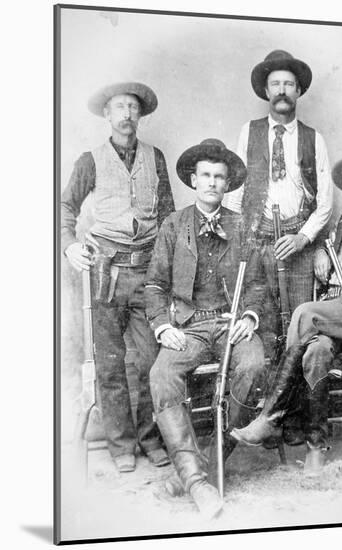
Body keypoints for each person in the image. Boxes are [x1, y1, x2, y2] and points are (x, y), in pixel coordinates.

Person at [231, 145, 342, 475]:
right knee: (316, 352)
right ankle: (315, 448)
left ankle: (275, 415)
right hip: (335, 313)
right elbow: (333, 267)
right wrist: (323, 254)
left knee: (304, 314)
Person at [145, 139, 266, 518]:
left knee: (253, 365)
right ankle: (197, 482)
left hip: (231, 324)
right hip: (190, 327)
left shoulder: (242, 225)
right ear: (193, 180)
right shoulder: (173, 225)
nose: (212, 182)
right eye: (206, 176)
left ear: (227, 184)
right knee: (162, 375)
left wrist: (248, 317)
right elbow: (154, 285)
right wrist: (163, 326)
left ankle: (205, 465)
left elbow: (258, 285)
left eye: (220, 177)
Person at [61, 81, 175, 472]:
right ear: (107, 116)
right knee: (110, 363)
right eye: (119, 108)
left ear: (140, 115)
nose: (126, 115)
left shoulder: (154, 157)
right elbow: (64, 207)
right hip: (105, 271)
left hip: (147, 271)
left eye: (132, 108)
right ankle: (120, 445)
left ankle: (150, 438)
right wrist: (69, 244)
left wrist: (166, 265)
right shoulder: (89, 160)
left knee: (149, 360)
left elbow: (167, 216)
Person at [223, 50, 333, 350]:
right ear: (265, 91)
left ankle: (297, 397)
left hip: (298, 244)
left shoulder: (314, 139)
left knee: (300, 325)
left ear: (298, 91)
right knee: (263, 323)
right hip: (258, 242)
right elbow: (235, 191)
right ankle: (269, 397)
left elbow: (325, 202)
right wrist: (235, 241)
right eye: (275, 84)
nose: (281, 91)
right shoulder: (249, 132)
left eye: (288, 84)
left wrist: (303, 238)